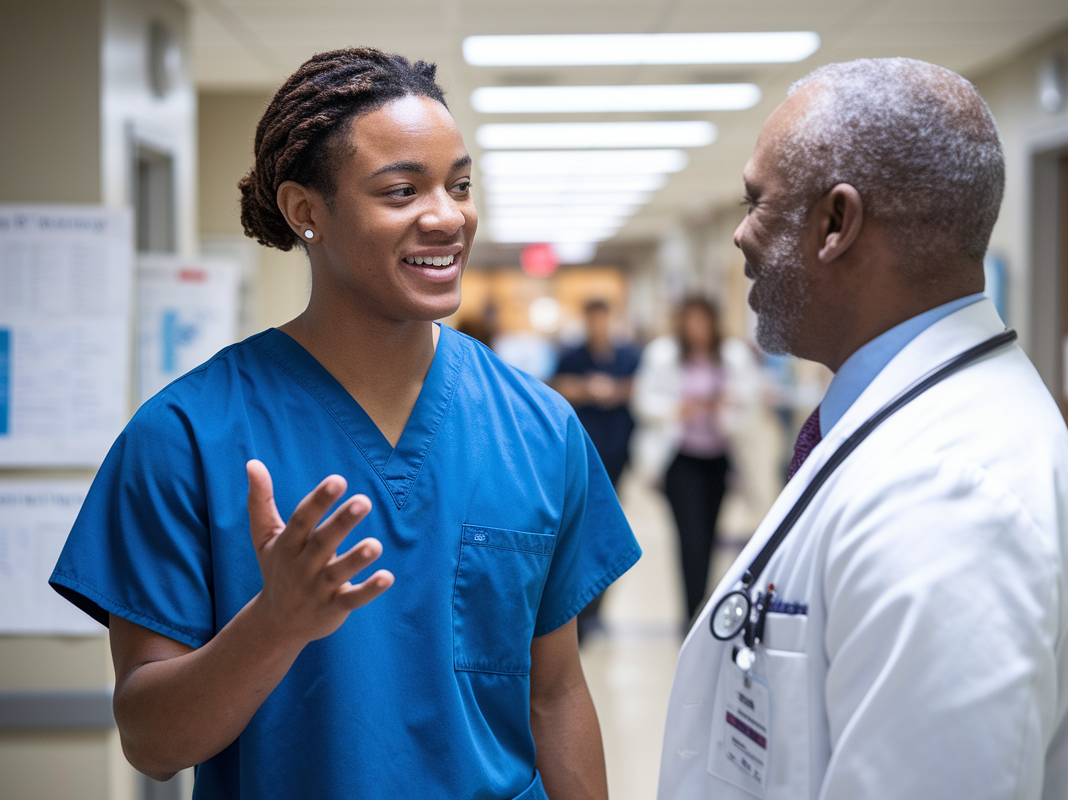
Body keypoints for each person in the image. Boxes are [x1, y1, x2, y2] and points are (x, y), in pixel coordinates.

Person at [49, 48, 639, 800]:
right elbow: (153, 743)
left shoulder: (538, 427)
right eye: (402, 190)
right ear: (306, 213)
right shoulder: (184, 437)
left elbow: (554, 696)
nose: (447, 216)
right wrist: (277, 622)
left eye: (459, 185)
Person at [659, 58, 1068, 799]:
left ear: (837, 222)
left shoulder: (949, 495)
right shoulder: (904, 424)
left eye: (757, 204)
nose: (740, 237)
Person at [633, 297, 758, 622]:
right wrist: (678, 409)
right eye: (691, 320)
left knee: (710, 536)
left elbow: (750, 404)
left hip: (718, 460)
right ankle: (691, 615)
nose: (697, 328)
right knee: (690, 538)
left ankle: (702, 608)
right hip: (680, 461)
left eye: (703, 320)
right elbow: (643, 401)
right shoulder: (662, 355)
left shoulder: (733, 356)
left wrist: (724, 407)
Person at [552, 299, 641, 639]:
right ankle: (579, 608)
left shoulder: (627, 355)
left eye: (603, 319)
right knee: (577, 528)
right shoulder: (571, 356)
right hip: (581, 456)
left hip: (617, 453)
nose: (597, 325)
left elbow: (639, 389)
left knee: (608, 528)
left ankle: (596, 610)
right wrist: (590, 390)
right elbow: (558, 388)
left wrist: (613, 391)